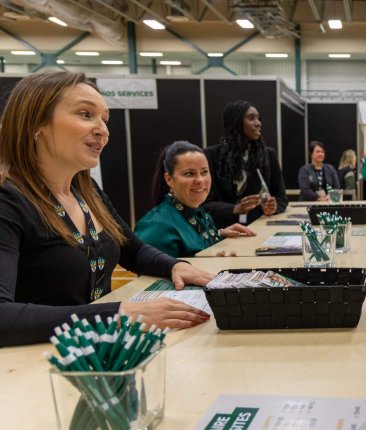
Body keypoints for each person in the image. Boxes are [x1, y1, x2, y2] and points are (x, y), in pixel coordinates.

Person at [0, 71, 213, 347]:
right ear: (35, 123)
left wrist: (174, 265)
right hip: (35, 368)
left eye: (104, 119)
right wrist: (119, 314)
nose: (103, 129)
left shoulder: (86, 192)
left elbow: (132, 250)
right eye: (86, 114)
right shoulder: (8, 200)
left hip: (95, 352)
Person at [135, 141, 255, 258]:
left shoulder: (199, 212)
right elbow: (154, 277)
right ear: (169, 179)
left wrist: (219, 236)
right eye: (189, 173)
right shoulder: (156, 227)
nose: (200, 180)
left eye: (204, 172)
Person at [204, 100, 288, 227]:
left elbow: (281, 197)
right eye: (251, 118)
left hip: (258, 227)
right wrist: (234, 208)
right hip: (223, 230)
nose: (258, 123)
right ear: (235, 122)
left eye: (259, 119)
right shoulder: (210, 155)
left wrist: (273, 207)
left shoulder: (268, 155)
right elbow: (204, 203)